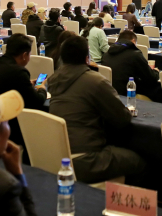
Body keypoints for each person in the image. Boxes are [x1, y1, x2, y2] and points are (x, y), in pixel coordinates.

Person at [48, 36, 145, 184]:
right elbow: (122, 119)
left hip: (58, 157)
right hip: (86, 159)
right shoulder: (95, 81)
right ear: (87, 57)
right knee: (140, 162)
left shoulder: (53, 79)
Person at [0, 34, 47, 148]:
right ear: (24, 55)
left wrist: (26, 84)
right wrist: (42, 89)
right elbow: (36, 102)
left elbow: (5, 83)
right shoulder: (18, 72)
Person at [102, 30, 162, 103]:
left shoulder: (106, 54)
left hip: (109, 92)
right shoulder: (135, 54)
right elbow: (151, 78)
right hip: (127, 91)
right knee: (160, 88)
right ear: (133, 41)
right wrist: (156, 72)